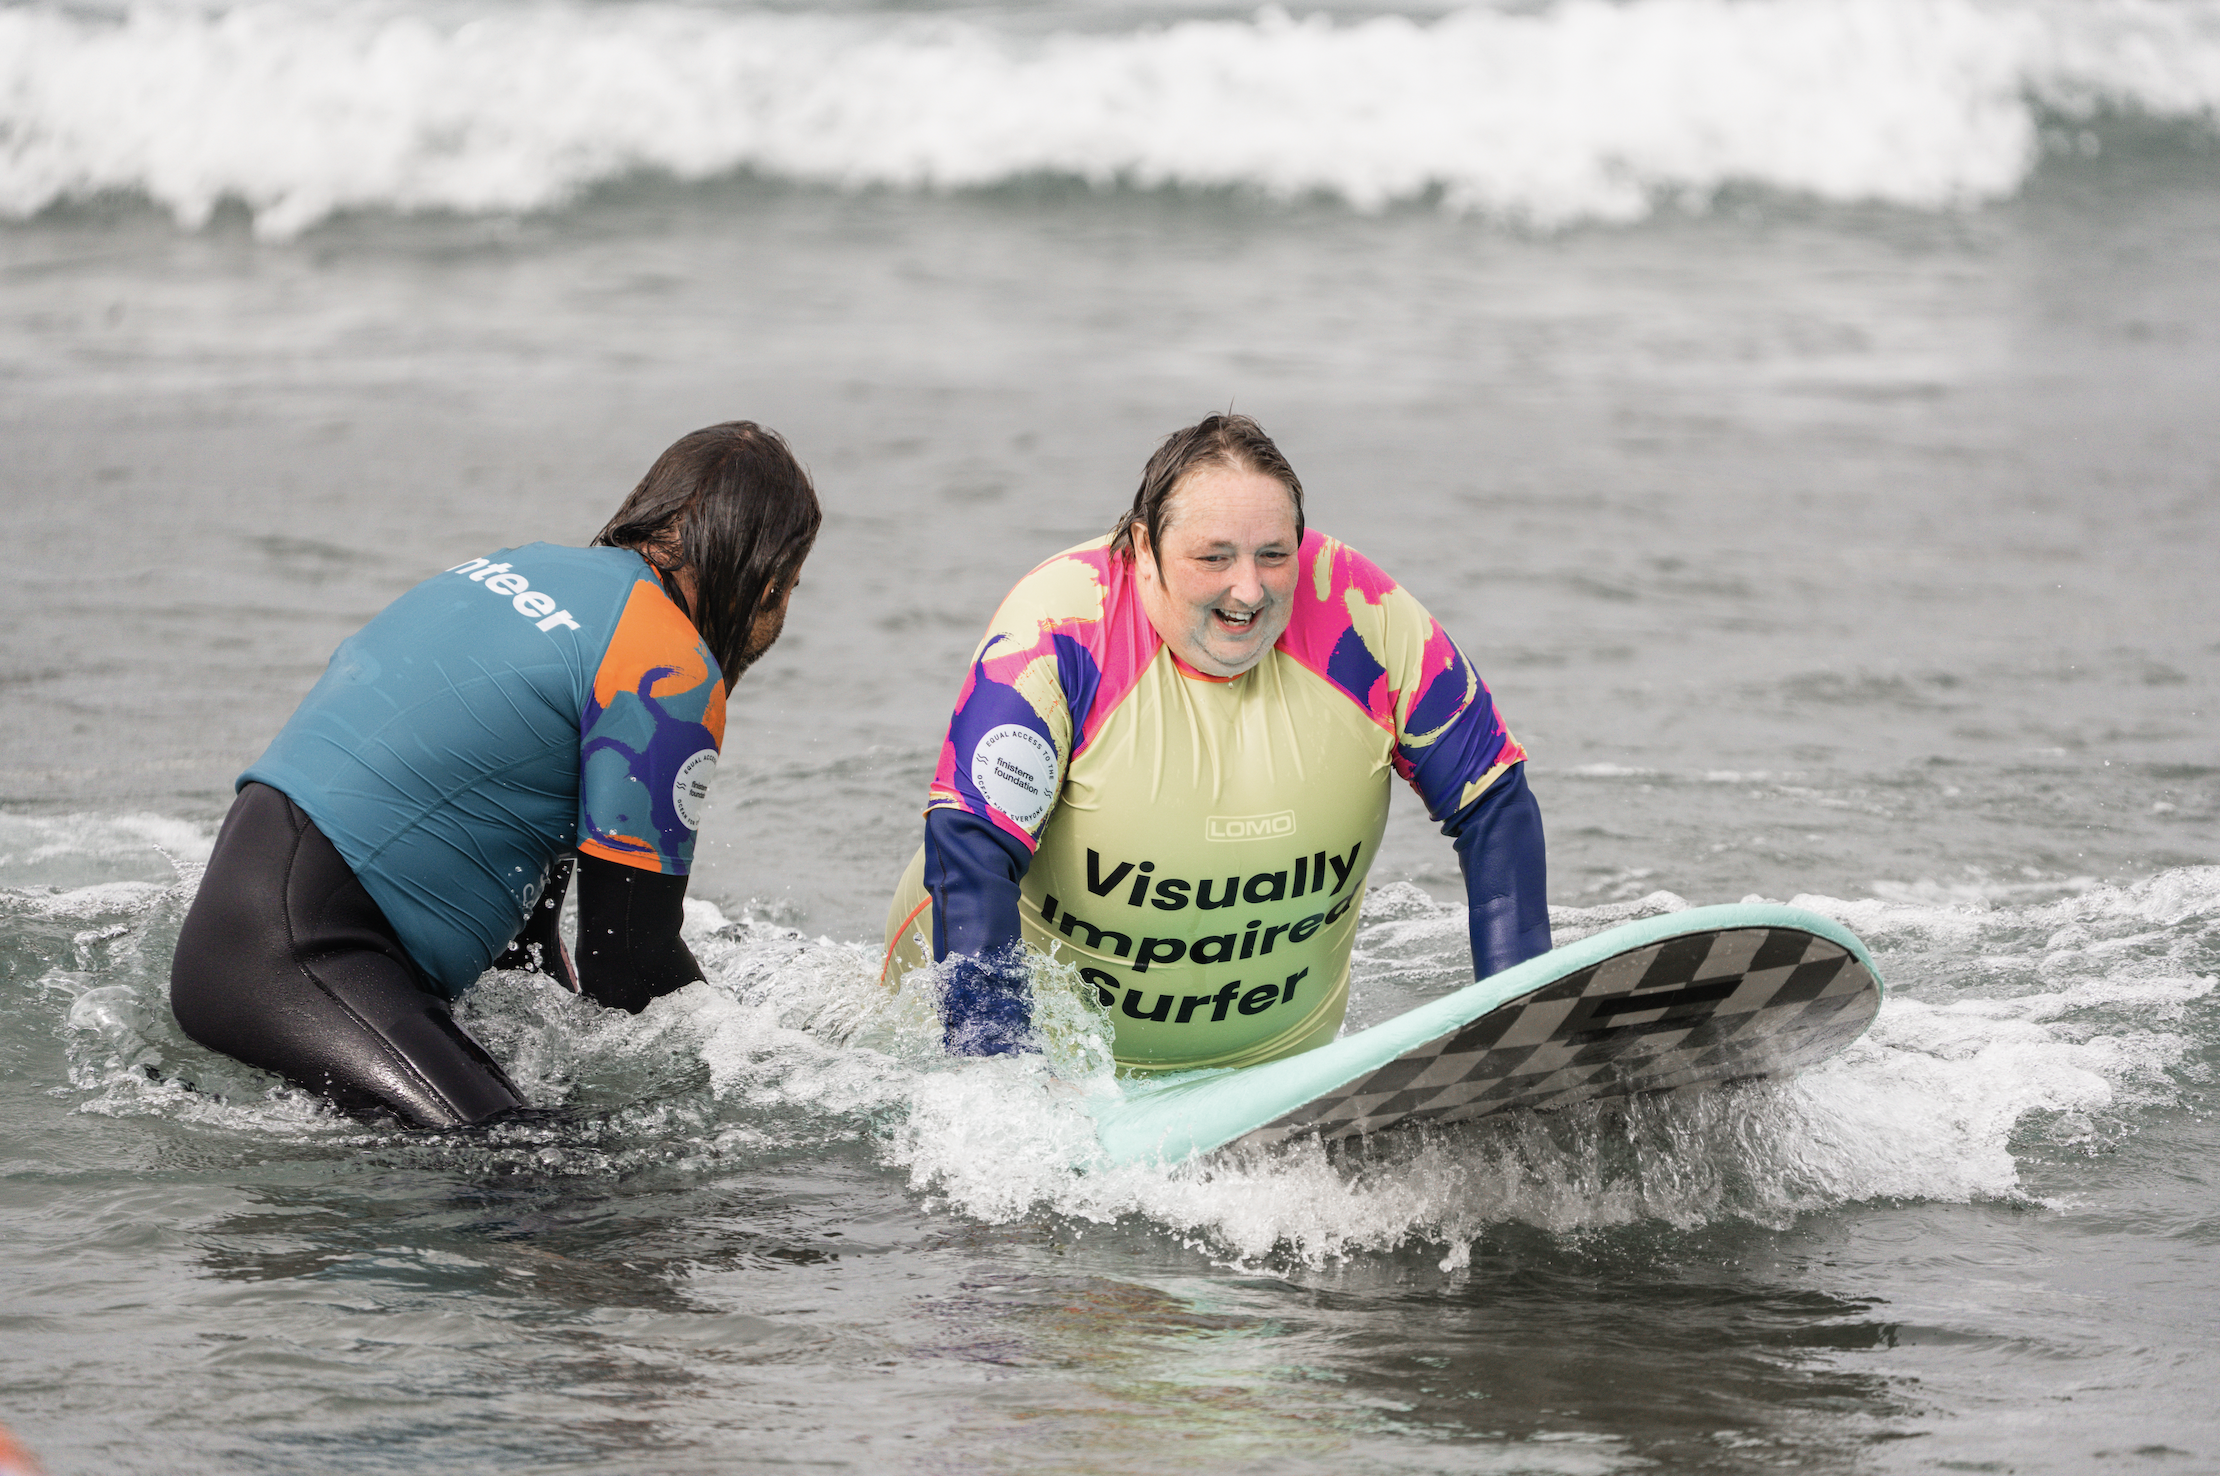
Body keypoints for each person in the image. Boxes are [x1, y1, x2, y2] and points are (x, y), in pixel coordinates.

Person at [170, 421, 820, 1127]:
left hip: (236, 928)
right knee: (540, 1174)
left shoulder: (531, 569)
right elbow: (627, 963)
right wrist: (766, 1067)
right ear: (769, 585)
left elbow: (529, 946)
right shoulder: (667, 668)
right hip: (303, 962)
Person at [882, 413, 1549, 1067]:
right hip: (1045, 1061)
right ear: (1143, 549)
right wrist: (998, 1082)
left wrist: (1520, 1020)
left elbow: (1493, 802)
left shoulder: (1362, 617)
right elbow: (971, 854)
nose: (1249, 589)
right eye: (1214, 558)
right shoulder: (1062, 628)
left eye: (1274, 555)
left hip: (1273, 1067)